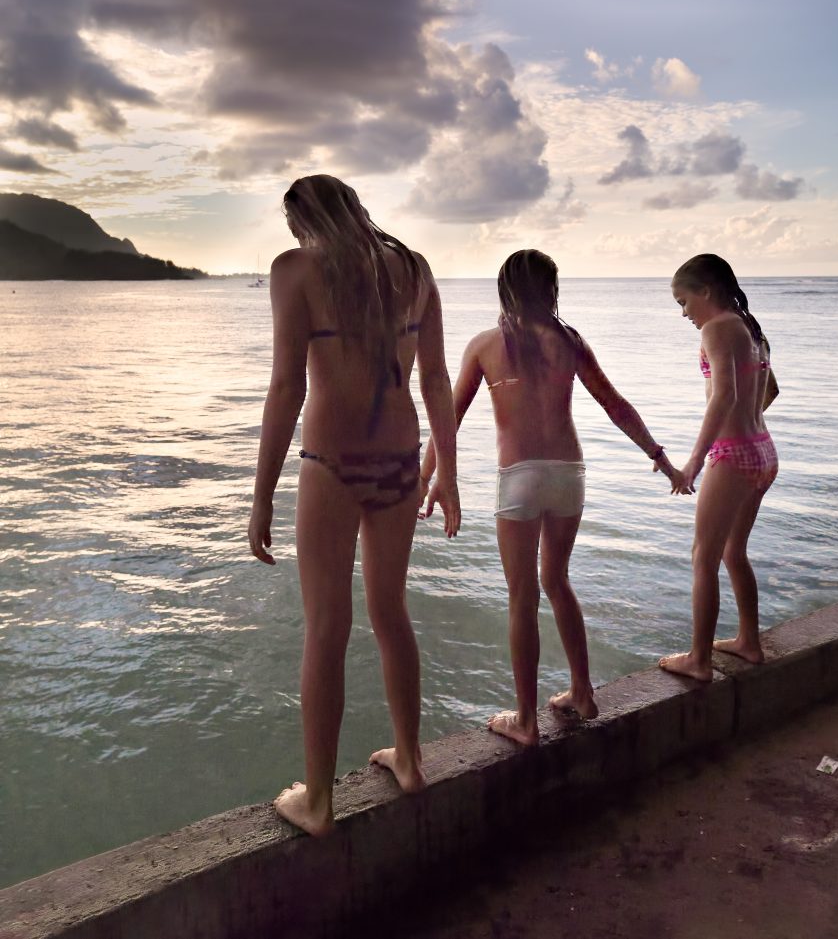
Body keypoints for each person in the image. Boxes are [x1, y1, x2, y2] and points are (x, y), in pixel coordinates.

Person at [247, 175, 460, 836]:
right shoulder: (414, 267)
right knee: (390, 610)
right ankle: (411, 758)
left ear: (301, 220)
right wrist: (446, 471)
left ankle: (317, 800)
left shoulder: (295, 269)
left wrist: (260, 498)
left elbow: (286, 387)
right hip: (399, 461)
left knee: (325, 628)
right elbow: (434, 376)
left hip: (333, 465)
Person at [420, 249, 675, 746]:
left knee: (522, 596)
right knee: (557, 579)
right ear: (550, 290)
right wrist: (659, 456)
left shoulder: (485, 345)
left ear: (505, 290)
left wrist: (426, 478)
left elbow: (446, 419)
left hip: (519, 476)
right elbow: (615, 405)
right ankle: (582, 691)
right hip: (568, 474)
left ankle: (525, 720)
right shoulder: (570, 343)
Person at [658, 253, 779, 682]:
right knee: (733, 551)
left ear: (705, 291)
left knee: (702, 557)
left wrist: (694, 460)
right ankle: (749, 642)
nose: (684, 313)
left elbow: (722, 396)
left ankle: (699, 660)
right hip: (763, 451)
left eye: (684, 302)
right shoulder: (749, 327)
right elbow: (768, 391)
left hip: (733, 456)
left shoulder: (716, 328)